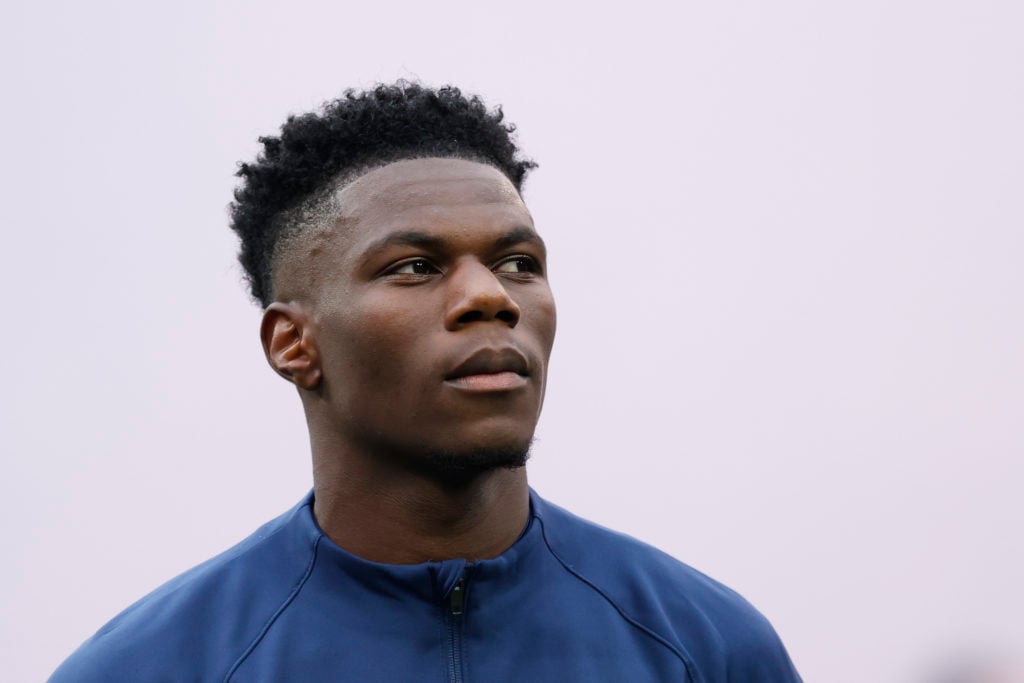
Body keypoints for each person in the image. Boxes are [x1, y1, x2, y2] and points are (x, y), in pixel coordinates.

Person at [49, 82, 802, 682]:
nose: (493, 297)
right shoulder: (152, 667)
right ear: (294, 343)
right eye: (415, 266)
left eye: (519, 263)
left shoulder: (707, 648)